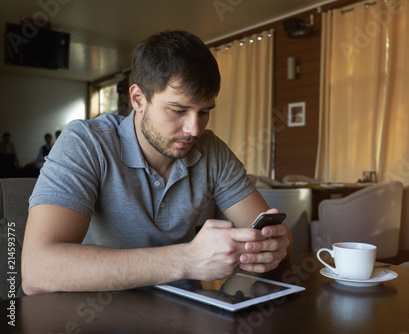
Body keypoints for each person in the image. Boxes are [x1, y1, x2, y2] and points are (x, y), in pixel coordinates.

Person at [21, 29, 292, 295]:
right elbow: (37, 271)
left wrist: (275, 245)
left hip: (182, 312)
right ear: (138, 99)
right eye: (178, 110)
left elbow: (269, 234)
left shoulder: (212, 151)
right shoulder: (86, 142)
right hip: (91, 315)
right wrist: (187, 260)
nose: (194, 129)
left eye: (204, 112)